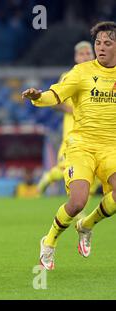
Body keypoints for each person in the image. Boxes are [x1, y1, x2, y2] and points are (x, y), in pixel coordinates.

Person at [22, 21, 116, 270]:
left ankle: (87, 225)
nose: (101, 48)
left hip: (111, 147)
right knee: (77, 202)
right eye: (98, 43)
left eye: (108, 43)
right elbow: (56, 94)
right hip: (82, 145)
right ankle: (49, 240)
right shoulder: (82, 72)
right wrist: (38, 96)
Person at [37, 41, 100, 195]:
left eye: (88, 53)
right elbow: (54, 102)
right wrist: (71, 109)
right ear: (76, 57)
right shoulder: (68, 76)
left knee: (96, 171)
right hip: (73, 130)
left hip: (95, 131)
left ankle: (80, 206)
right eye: (82, 54)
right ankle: (50, 177)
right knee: (69, 167)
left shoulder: (101, 77)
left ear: (93, 55)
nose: (85, 57)